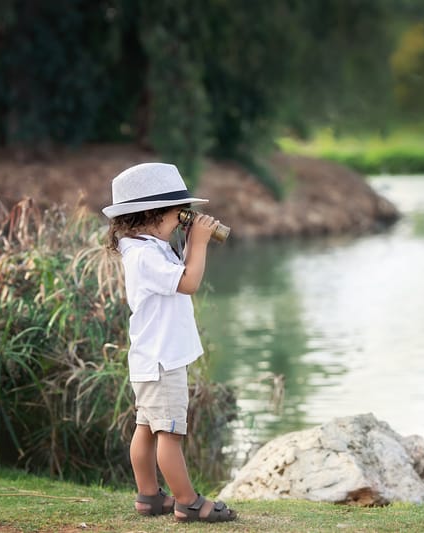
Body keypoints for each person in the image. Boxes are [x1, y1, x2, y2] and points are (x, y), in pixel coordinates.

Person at [103, 162, 237, 523]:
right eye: (178, 215)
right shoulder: (145, 254)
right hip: (163, 362)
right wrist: (198, 241)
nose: (182, 220)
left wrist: (186, 235)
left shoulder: (146, 247)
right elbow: (189, 281)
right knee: (169, 434)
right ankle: (187, 502)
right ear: (151, 215)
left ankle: (149, 496)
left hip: (152, 358)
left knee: (146, 427)